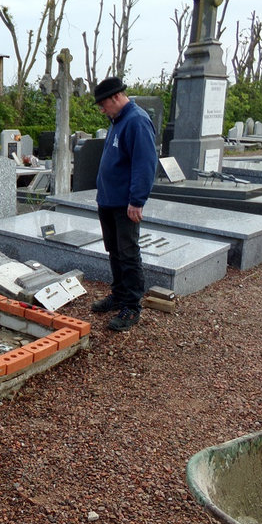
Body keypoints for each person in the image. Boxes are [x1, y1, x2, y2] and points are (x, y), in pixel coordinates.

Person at [92, 76, 158, 332]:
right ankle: (118, 294)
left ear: (116, 97)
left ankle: (131, 306)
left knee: (128, 253)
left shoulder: (137, 121)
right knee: (115, 250)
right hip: (108, 200)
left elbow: (145, 164)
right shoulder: (117, 120)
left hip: (124, 204)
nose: (101, 109)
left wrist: (136, 200)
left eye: (103, 104)